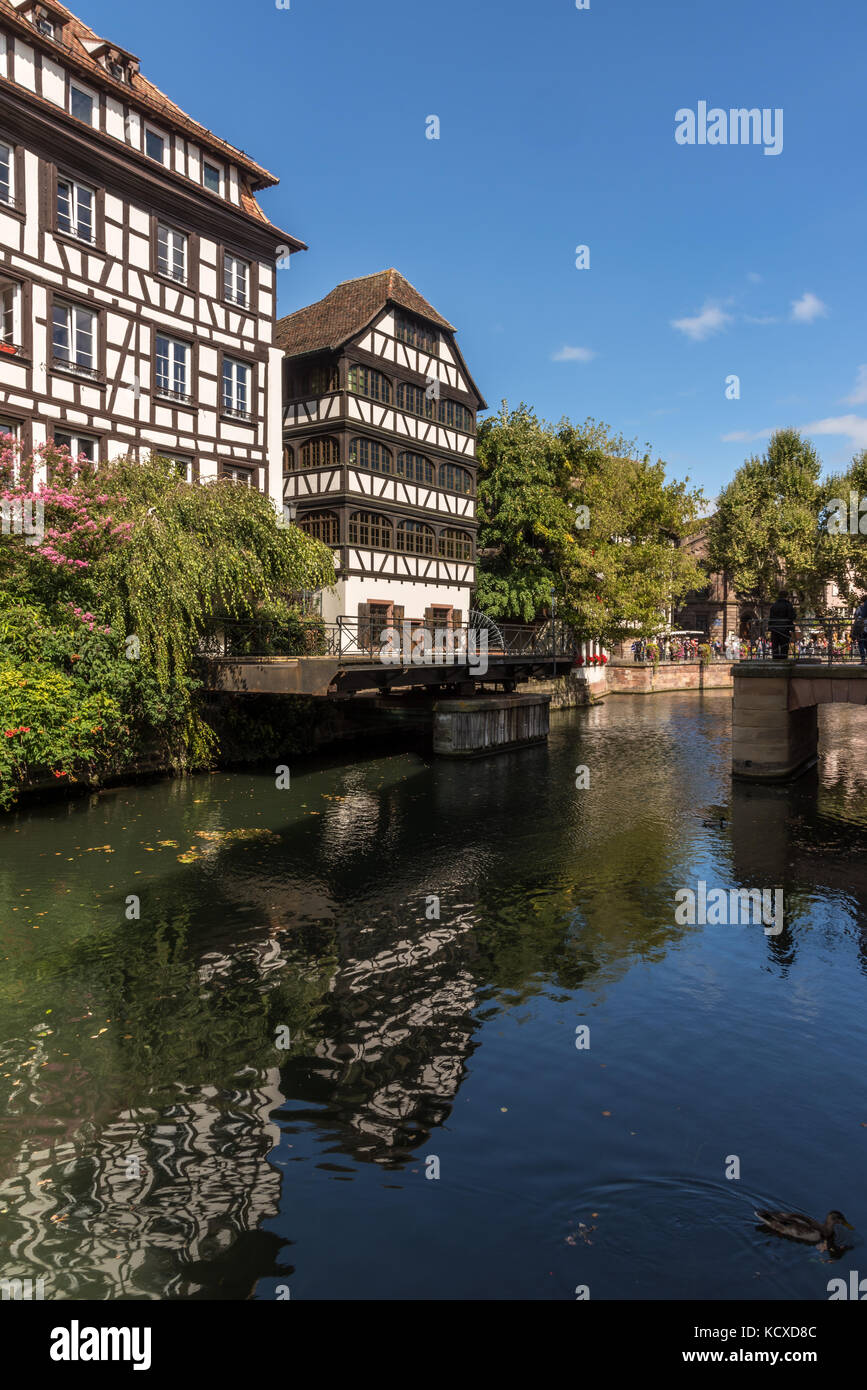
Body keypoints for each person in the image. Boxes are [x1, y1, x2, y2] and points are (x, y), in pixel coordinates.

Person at [768, 590, 796, 659]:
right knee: (784, 647)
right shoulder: (788, 605)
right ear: (786, 596)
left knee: (775, 647)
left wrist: (770, 627)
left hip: (775, 629)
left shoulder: (774, 605)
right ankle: (783, 661)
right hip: (784, 628)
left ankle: (775, 662)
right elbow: (791, 616)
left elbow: (771, 617)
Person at [851, 596, 867, 665]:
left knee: (861, 643)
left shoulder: (859, 608)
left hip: (861, 628)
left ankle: (863, 660)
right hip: (865, 628)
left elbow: (856, 616)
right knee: (865, 643)